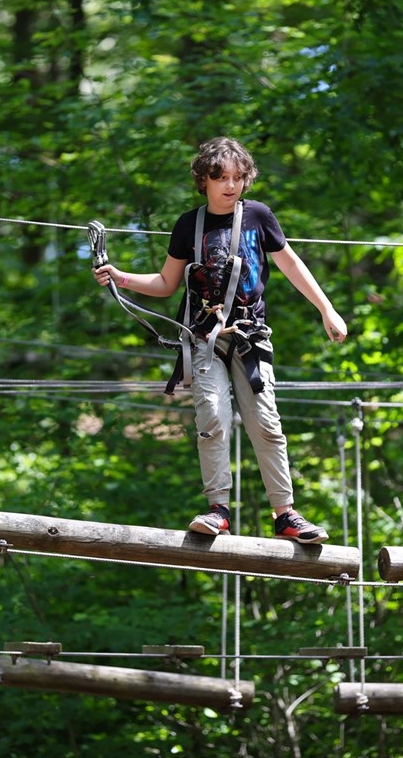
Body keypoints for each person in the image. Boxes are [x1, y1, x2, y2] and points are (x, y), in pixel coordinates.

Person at [93, 136, 347, 543]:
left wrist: (326, 309)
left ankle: (285, 514)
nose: (230, 185)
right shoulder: (188, 225)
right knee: (211, 417)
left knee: (265, 423)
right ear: (204, 180)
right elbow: (165, 283)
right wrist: (120, 277)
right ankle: (218, 509)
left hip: (250, 338)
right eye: (220, 178)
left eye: (237, 177)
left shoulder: (259, 217)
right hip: (204, 338)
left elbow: (291, 264)